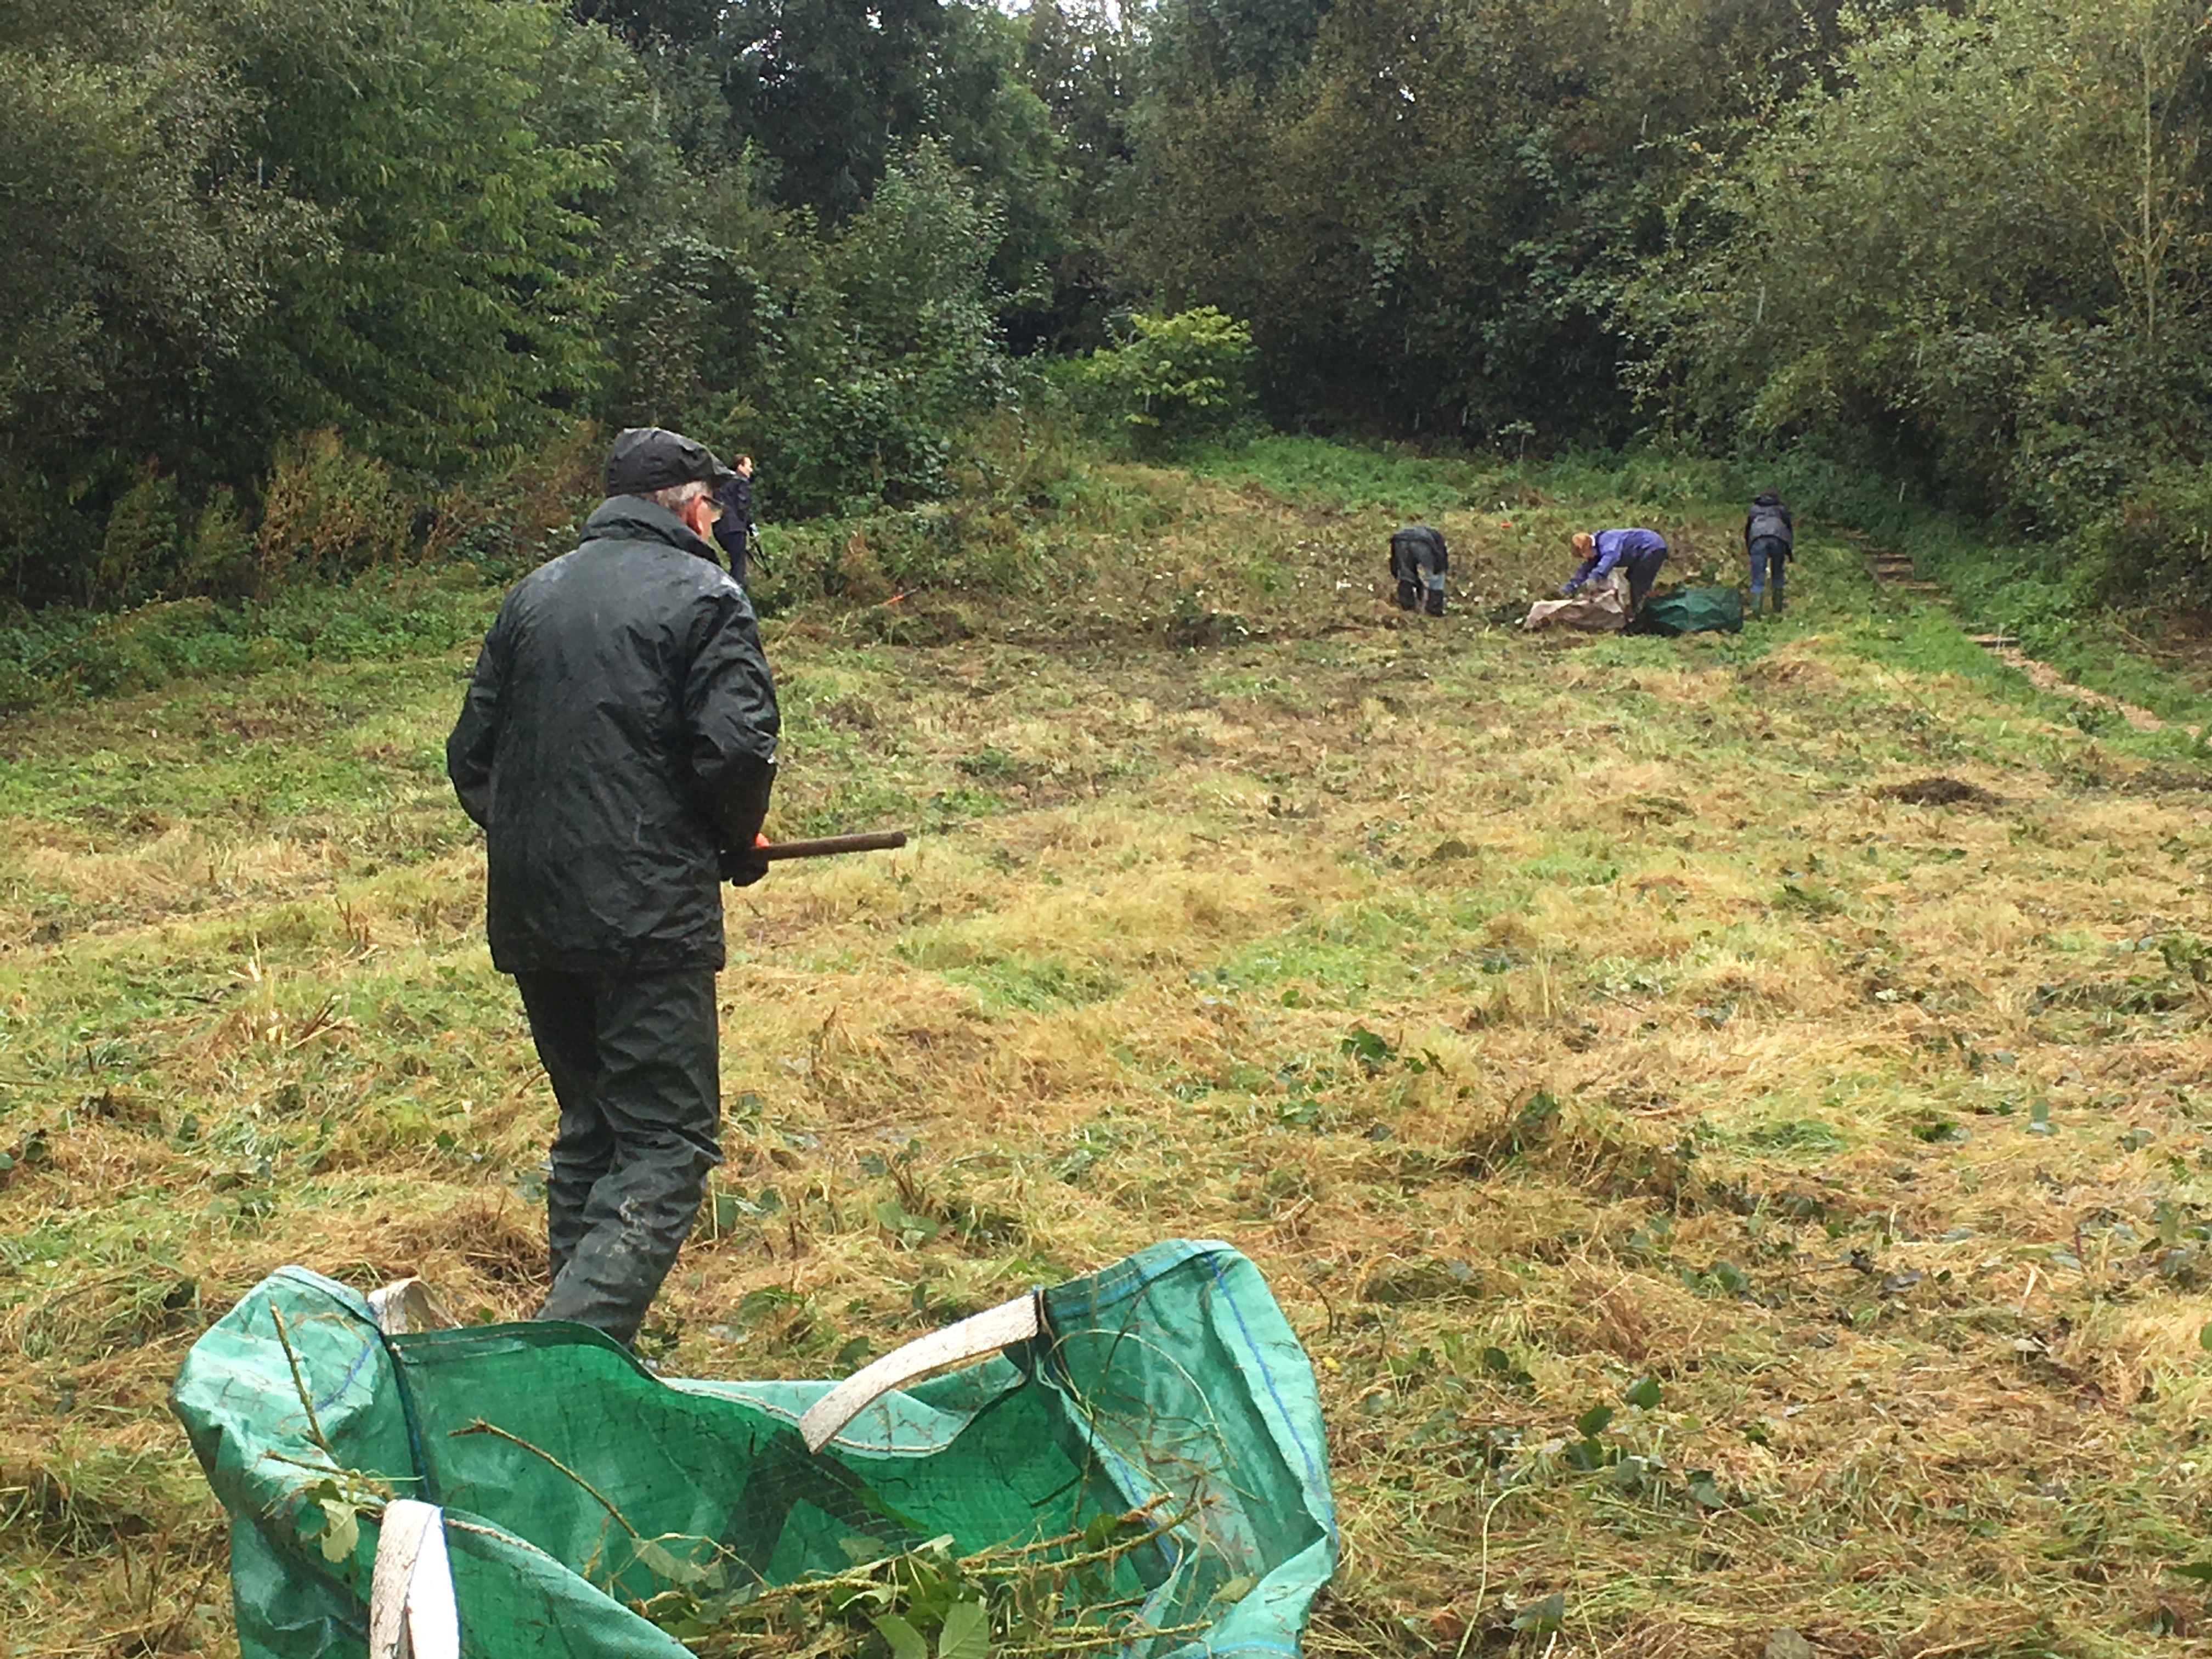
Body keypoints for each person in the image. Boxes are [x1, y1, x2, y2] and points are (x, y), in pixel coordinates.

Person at [446, 426, 780, 1350]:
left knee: (592, 1129)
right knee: (667, 1141)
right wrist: (728, 842)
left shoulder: (533, 594)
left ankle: (582, 1357)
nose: (715, 519)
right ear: (685, 505)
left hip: (532, 908)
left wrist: (546, 844)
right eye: (710, 503)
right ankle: (560, 1364)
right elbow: (740, 749)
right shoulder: (707, 594)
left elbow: (469, 757)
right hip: (645, 917)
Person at [1564, 527, 1669, 610]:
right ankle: (1642, 606)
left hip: (1652, 547)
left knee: (1638, 581)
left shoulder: (1607, 540)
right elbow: (1585, 570)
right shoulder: (1596, 551)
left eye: (1583, 555)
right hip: (1642, 553)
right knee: (1631, 577)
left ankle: (1643, 613)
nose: (1585, 558)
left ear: (1586, 547)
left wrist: (1595, 578)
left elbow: (1611, 557)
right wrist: (1568, 589)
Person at [1743, 488, 1793, 617]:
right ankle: (1778, 606)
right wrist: (1789, 549)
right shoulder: (1781, 509)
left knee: (1757, 576)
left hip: (1758, 539)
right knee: (1777, 571)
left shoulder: (1754, 509)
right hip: (1778, 538)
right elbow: (1788, 528)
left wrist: (1749, 547)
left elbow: (1748, 529)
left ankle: (1756, 610)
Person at [712, 453, 758, 585]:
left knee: (733, 563)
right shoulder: (742, 482)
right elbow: (743, 507)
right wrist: (749, 527)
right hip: (735, 528)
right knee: (739, 567)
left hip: (719, 528)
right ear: (740, 467)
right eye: (749, 466)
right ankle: (736, 598)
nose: (751, 470)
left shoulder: (722, 483)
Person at [1389, 523, 1448, 616]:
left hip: (1400, 540)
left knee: (1406, 574)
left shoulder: (1429, 534)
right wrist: (1439, 570)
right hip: (1422, 543)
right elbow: (1440, 563)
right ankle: (1434, 609)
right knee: (1436, 577)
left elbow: (1395, 562)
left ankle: (1407, 605)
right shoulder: (1438, 541)